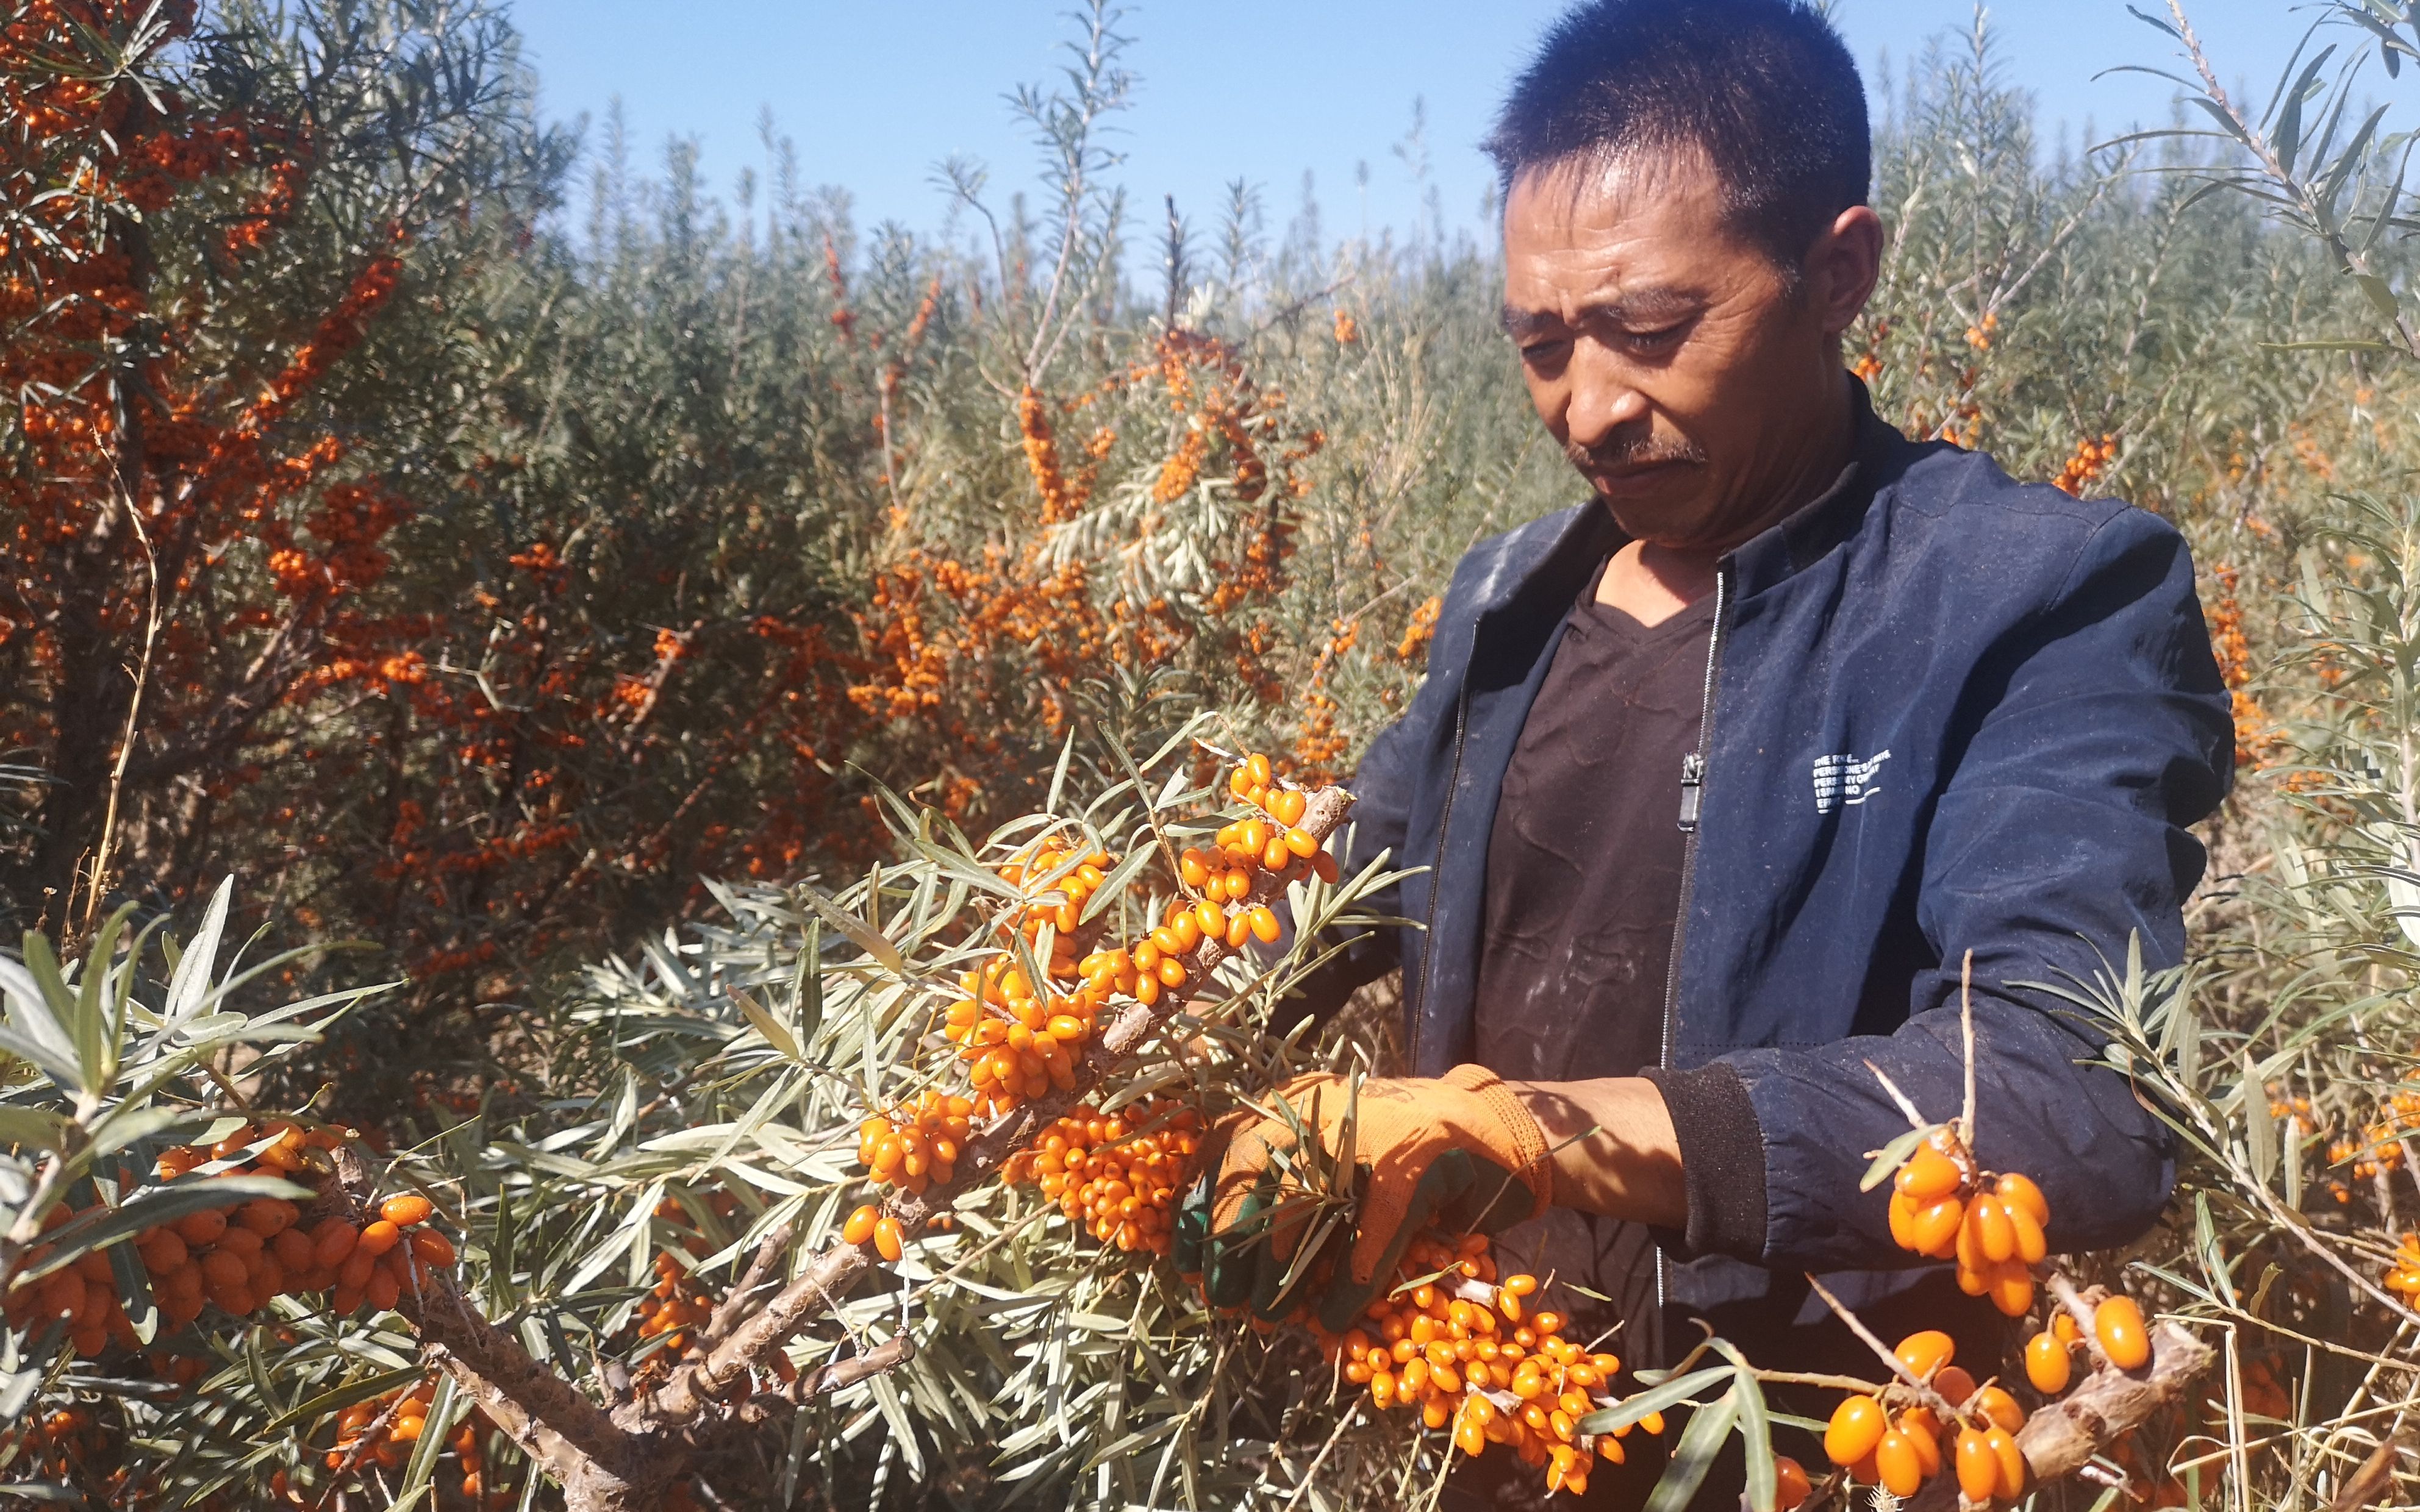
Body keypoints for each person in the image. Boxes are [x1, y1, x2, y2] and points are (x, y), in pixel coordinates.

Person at [1190, 0, 2234, 1503]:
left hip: (1827, 1454)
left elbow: (2074, 1090)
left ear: (1837, 270)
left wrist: (1542, 1135)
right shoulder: (1505, 605)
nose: (1590, 407)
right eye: (1541, 344)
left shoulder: (2037, 597)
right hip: (1499, 1419)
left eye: (1651, 331)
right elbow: (1315, 912)